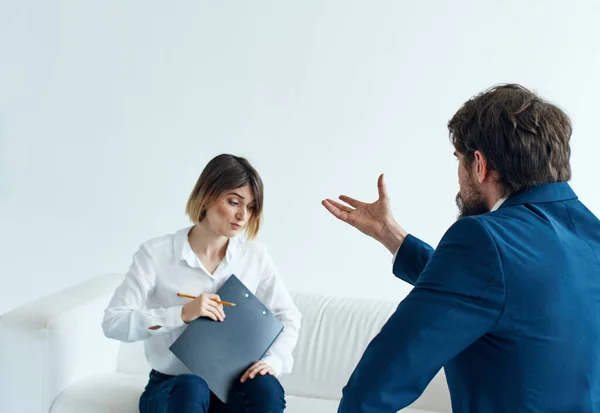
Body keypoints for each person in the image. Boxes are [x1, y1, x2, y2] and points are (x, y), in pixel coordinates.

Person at [322, 84, 600, 413]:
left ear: (479, 163)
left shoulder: (482, 239)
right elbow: (499, 291)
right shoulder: (589, 235)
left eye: (458, 160)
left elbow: (377, 384)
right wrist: (390, 233)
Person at [102, 154, 301, 413]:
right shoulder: (156, 254)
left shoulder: (255, 256)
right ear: (207, 196)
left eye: (251, 207)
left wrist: (272, 361)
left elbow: (289, 318)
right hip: (173, 387)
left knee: (266, 387)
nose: (242, 215)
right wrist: (181, 314)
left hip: (230, 384)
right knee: (191, 386)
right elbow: (113, 323)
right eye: (234, 202)